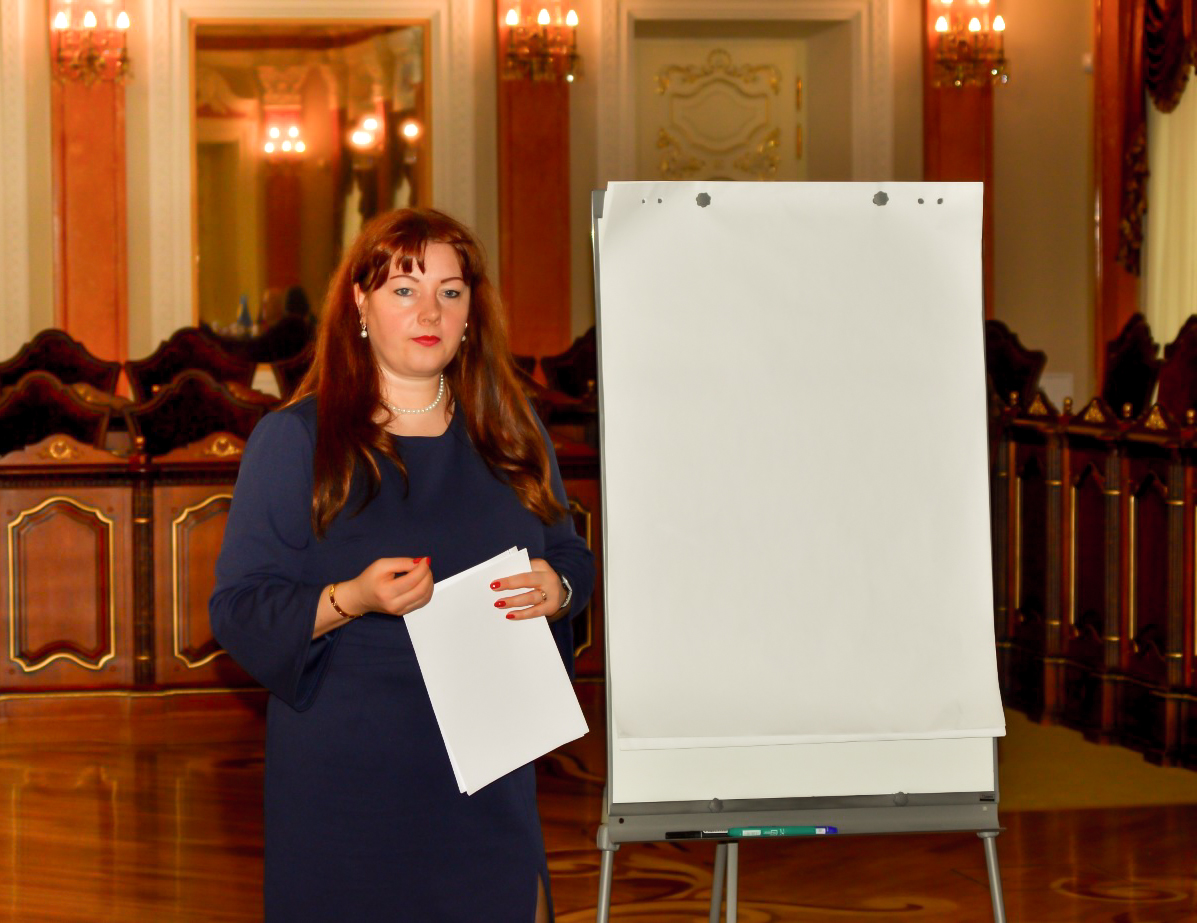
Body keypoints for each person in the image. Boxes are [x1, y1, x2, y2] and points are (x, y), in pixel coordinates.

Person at [209, 207, 595, 922]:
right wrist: (351, 598)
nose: (430, 312)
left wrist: (560, 587)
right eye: (404, 289)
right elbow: (237, 609)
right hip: (351, 776)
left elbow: (569, 551)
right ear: (360, 304)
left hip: (491, 762)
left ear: (472, 311)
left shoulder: (509, 428)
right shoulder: (297, 440)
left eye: (450, 291)